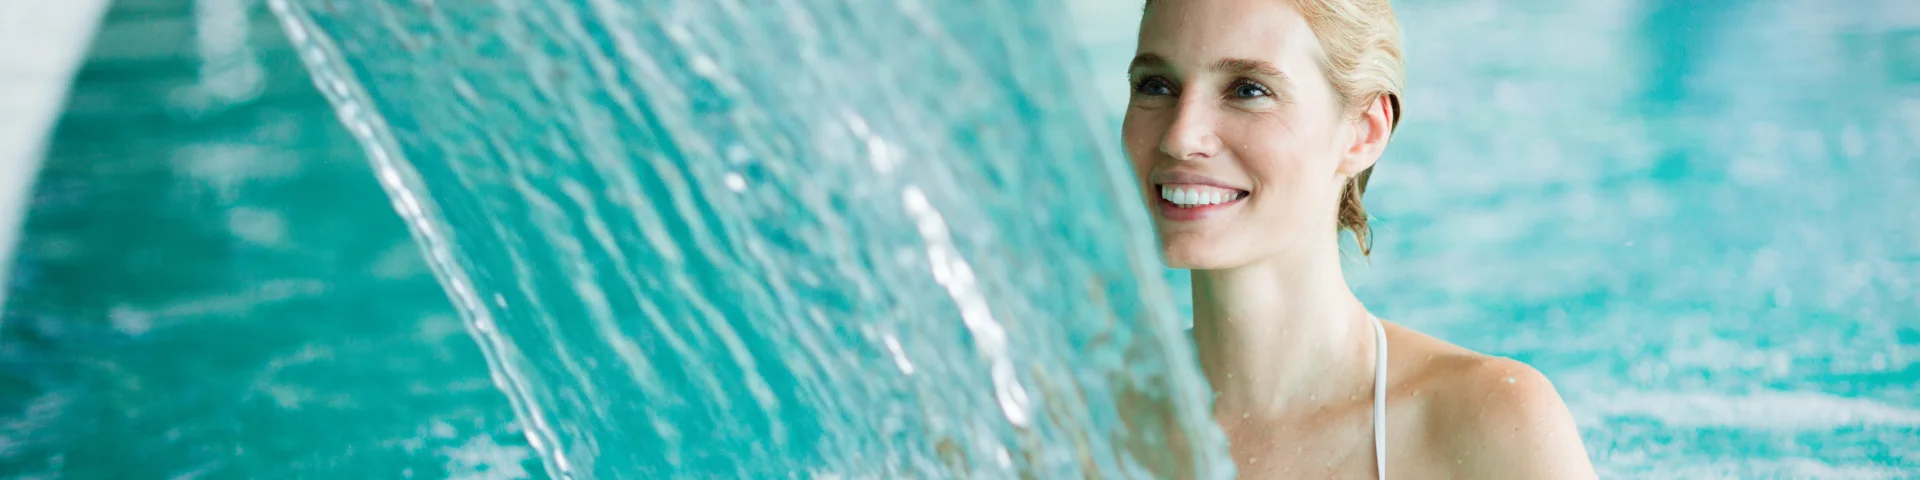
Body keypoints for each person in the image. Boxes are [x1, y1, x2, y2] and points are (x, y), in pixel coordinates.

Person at [1120, 0, 1598, 477]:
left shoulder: (1492, 425)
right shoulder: (1085, 418)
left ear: (1363, 132)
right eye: (1156, 85)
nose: (1180, 137)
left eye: (1248, 90)